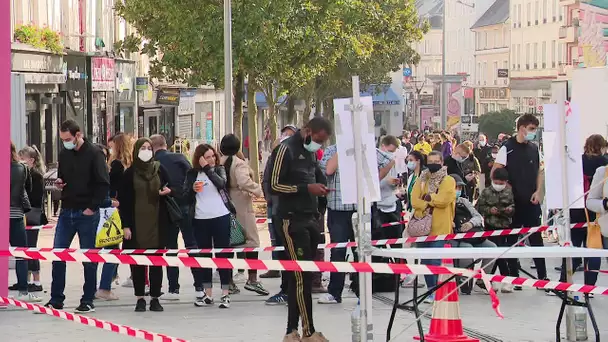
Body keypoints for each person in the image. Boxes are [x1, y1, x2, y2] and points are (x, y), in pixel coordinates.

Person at [269, 117, 333, 342]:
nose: (319, 144)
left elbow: (314, 176)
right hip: (290, 219)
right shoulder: (285, 150)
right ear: (307, 131)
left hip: (310, 218)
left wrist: (321, 189)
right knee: (300, 276)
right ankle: (307, 330)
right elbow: (273, 185)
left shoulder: (309, 153)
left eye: (323, 142)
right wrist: (306, 188)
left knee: (305, 276)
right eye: (318, 139)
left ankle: (292, 330)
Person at [317, 137, 394, 305]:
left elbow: (389, 161)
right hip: (338, 209)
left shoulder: (365, 148)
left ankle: (363, 293)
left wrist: (373, 180)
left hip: (361, 208)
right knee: (338, 251)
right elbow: (328, 170)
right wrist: (343, 148)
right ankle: (334, 292)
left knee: (361, 251)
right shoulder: (332, 150)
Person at [43, 120, 109, 313]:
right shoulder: (64, 153)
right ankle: (56, 299)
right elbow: (63, 175)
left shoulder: (94, 153)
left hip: (86, 212)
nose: (66, 142)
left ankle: (88, 299)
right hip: (67, 210)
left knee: (89, 257)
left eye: (69, 139)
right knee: (58, 254)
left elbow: (103, 183)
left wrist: (92, 207)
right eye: (63, 139)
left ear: (78, 135)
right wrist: (60, 183)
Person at [491, 113, 548, 289]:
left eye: (535, 129)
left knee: (536, 239)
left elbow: (540, 171)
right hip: (512, 202)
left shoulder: (534, 148)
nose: (533, 132)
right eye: (531, 129)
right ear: (522, 128)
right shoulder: (507, 148)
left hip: (531, 201)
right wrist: (506, 190)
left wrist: (539, 192)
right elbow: (496, 172)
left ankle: (542, 277)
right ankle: (513, 277)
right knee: (512, 239)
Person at [118, 138, 173, 312]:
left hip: (157, 222)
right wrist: (125, 226)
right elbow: (124, 202)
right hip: (136, 224)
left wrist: (168, 191)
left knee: (156, 262)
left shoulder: (159, 169)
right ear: (136, 150)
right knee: (138, 263)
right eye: (143, 148)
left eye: (149, 148)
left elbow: (172, 186)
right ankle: (140, 297)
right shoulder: (129, 173)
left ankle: (155, 297)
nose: (147, 150)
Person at [184, 144, 233, 308]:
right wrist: (192, 189)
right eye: (207, 157)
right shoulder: (192, 174)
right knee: (204, 257)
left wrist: (208, 169)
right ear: (199, 158)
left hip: (221, 217)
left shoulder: (219, 170)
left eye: (213, 156)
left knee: (223, 256)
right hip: (200, 218)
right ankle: (208, 294)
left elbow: (221, 184)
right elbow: (184, 196)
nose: (211, 159)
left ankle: (225, 294)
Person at [220, 134, 269, 295]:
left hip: (223, 204)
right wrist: (258, 190)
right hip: (241, 205)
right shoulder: (239, 164)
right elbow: (243, 181)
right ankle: (252, 279)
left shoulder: (219, 162)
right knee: (251, 242)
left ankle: (229, 281)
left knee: (228, 245)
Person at [150, 134, 196, 301]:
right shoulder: (179, 157)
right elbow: (192, 177)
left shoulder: (153, 163)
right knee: (192, 246)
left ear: (152, 147)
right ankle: (200, 287)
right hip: (185, 206)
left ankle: (173, 288)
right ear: (165, 144)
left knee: (170, 248)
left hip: (167, 209)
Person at [557, 134, 607, 287]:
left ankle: (563, 281)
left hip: (576, 207)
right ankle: (589, 286)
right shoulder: (604, 164)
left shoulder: (577, 162)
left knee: (572, 249)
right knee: (593, 250)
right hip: (598, 211)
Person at [410, 151, 456, 302]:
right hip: (423, 226)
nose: (433, 164)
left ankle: (437, 291)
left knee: (435, 260)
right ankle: (431, 291)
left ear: (442, 162)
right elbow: (414, 200)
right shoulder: (422, 179)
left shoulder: (448, 180)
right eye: (430, 161)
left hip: (440, 227)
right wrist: (427, 202)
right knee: (425, 260)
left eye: (436, 161)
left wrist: (428, 198)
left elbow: (444, 200)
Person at [449, 174, 497, 294]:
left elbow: (477, 216)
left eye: (460, 188)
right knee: (467, 250)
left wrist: (470, 224)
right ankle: (463, 278)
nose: (458, 191)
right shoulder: (443, 204)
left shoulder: (464, 201)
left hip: (472, 234)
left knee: (492, 248)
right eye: (456, 188)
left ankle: (482, 280)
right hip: (455, 238)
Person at [477, 167, 517, 292]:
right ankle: (494, 279)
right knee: (495, 254)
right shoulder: (486, 192)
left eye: (502, 183)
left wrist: (509, 210)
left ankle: (500, 280)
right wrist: (489, 211)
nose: (499, 186)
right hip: (490, 227)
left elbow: (514, 206)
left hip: (505, 227)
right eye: (497, 183)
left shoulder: (509, 192)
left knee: (502, 254)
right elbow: (479, 207)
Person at [9, 142, 40, 302]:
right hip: (15, 215)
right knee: (21, 254)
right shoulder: (21, 168)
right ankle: (23, 290)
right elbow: (27, 189)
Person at [17, 145, 47, 293]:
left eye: (23, 159)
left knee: (31, 247)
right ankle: (25, 279)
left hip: (32, 216)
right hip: (23, 215)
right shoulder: (23, 174)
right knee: (23, 248)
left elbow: (34, 198)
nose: (20, 162)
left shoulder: (36, 176)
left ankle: (36, 280)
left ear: (32, 160)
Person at [94, 143, 122, 301]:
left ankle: (96, 288)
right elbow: (101, 197)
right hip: (102, 216)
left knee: (95, 253)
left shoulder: (102, 170)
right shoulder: (101, 172)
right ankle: (104, 288)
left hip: (102, 217)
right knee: (111, 250)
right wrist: (111, 202)